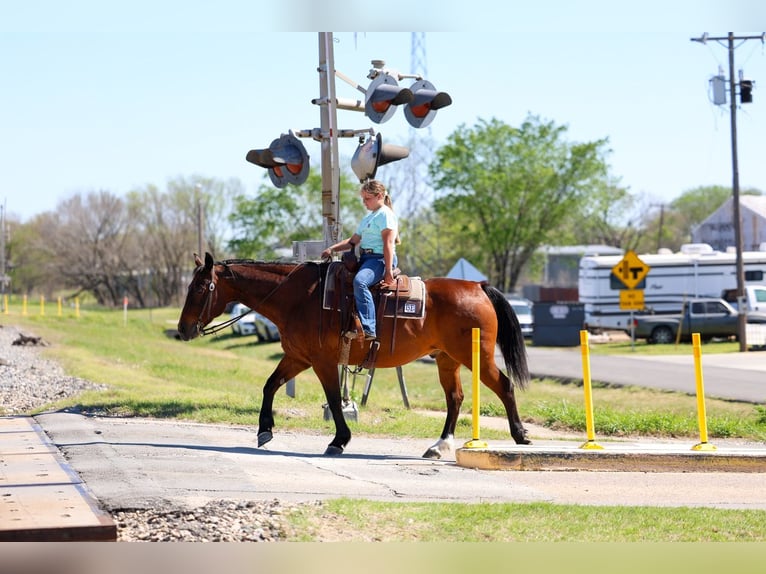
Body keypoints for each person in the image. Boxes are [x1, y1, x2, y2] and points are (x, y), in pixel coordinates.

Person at [321, 179, 399, 341]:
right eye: (363, 199)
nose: (364, 202)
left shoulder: (385, 215)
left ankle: (368, 328)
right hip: (366, 258)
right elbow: (353, 241)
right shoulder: (368, 218)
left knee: (360, 282)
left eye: (367, 199)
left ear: (379, 196)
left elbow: (388, 244)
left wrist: (388, 271)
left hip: (379, 260)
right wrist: (332, 249)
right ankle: (345, 324)